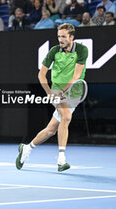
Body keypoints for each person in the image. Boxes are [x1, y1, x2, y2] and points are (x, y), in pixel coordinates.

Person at [15, 23, 88, 172]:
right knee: (66, 117)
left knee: (51, 130)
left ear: (71, 37)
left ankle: (27, 148)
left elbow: (76, 75)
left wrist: (65, 90)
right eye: (59, 36)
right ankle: (61, 160)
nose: (60, 39)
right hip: (56, 90)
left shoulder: (81, 50)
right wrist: (49, 92)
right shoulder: (54, 51)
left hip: (74, 92)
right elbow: (41, 74)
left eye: (63, 36)